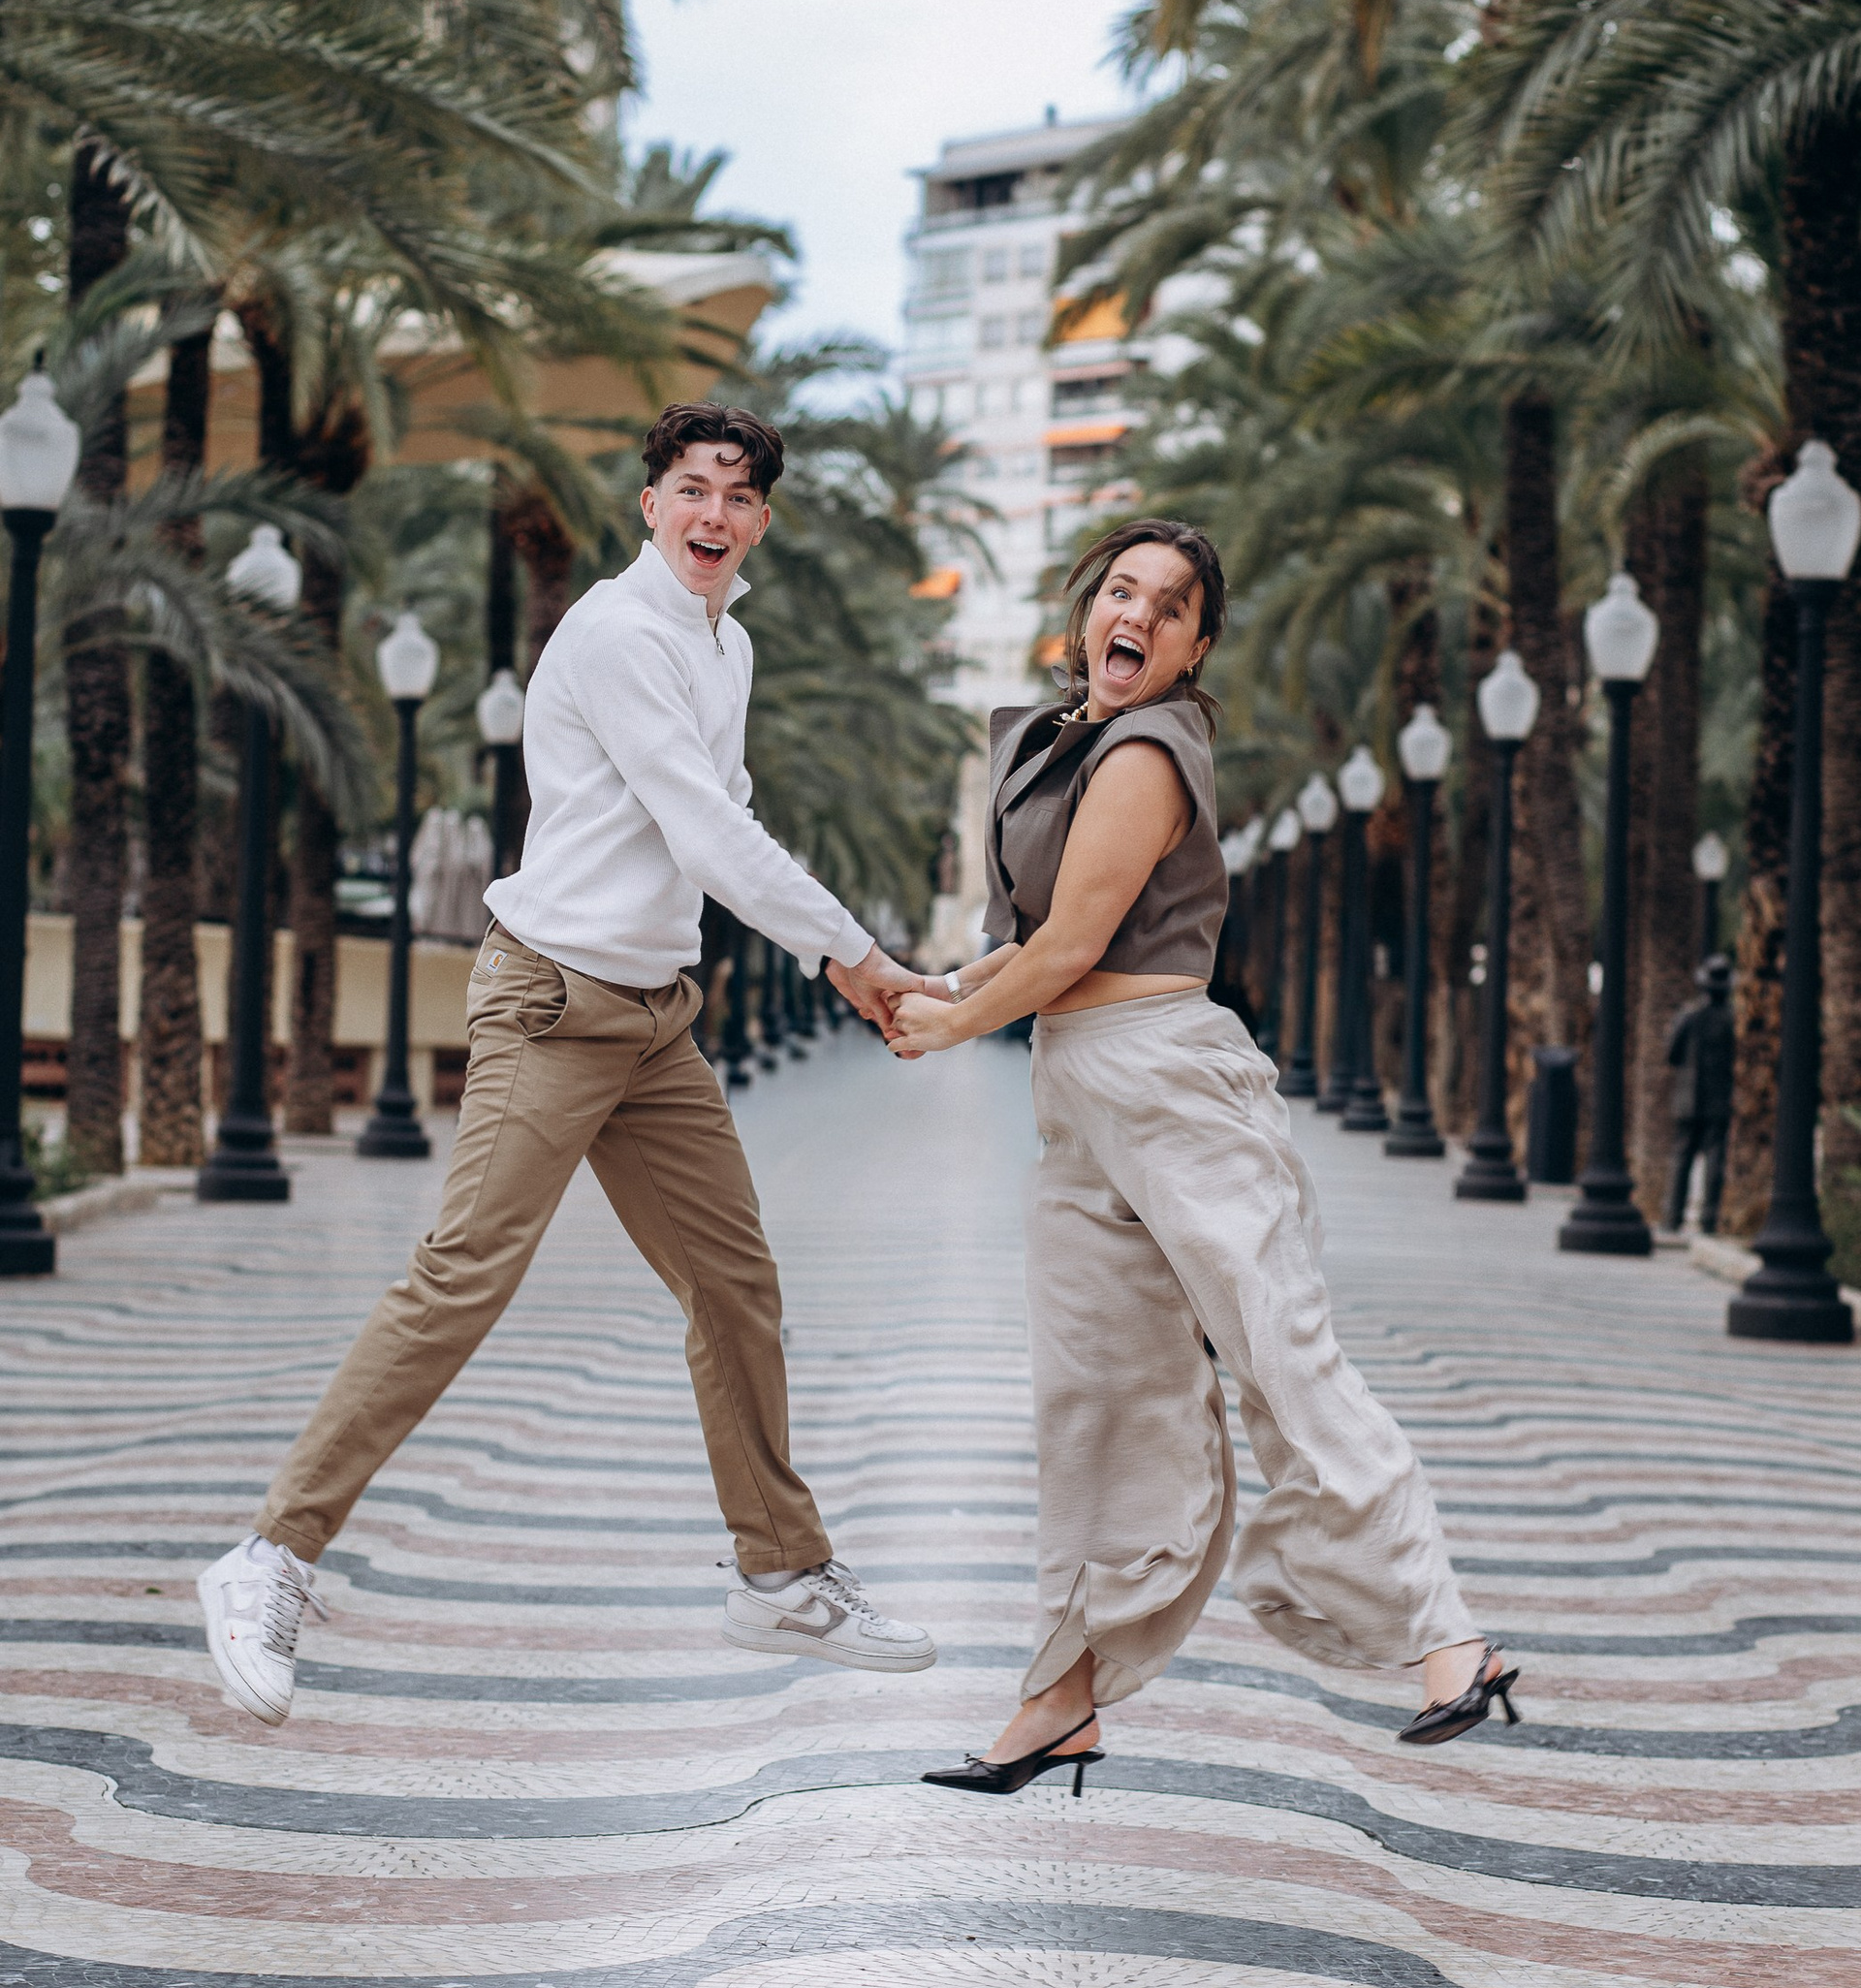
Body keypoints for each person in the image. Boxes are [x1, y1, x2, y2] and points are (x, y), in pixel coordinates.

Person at [198, 402, 938, 1725]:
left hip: (652, 1023)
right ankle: (271, 1554)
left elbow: (725, 815)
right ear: (651, 505)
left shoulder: (726, 644)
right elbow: (703, 832)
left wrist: (837, 951)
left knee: (734, 1284)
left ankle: (780, 1571)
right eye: (692, 488)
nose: (714, 513)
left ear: (762, 522)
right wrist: (854, 954)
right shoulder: (617, 633)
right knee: (464, 1274)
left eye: (739, 496)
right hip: (550, 1002)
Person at [888, 519, 1518, 1795]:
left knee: (1282, 1358)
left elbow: (1075, 947)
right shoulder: (1058, 743)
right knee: (1099, 1394)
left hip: (1171, 1078)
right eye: (1121, 590)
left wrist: (949, 1025)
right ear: (1087, 612)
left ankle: (1447, 1640)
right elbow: (1029, 945)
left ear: (1195, 647)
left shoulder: (1147, 751)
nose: (1139, 614)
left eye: (1170, 607)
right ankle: (1061, 1697)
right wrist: (934, 984)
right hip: (1079, 1088)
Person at [1663, 954, 1736, 1235]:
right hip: (1717, 1100)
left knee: (1682, 1157)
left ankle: (1673, 1217)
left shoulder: (1689, 1015)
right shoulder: (1731, 1019)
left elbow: (1672, 1053)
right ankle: (1709, 1219)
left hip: (1689, 1100)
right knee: (1714, 1160)